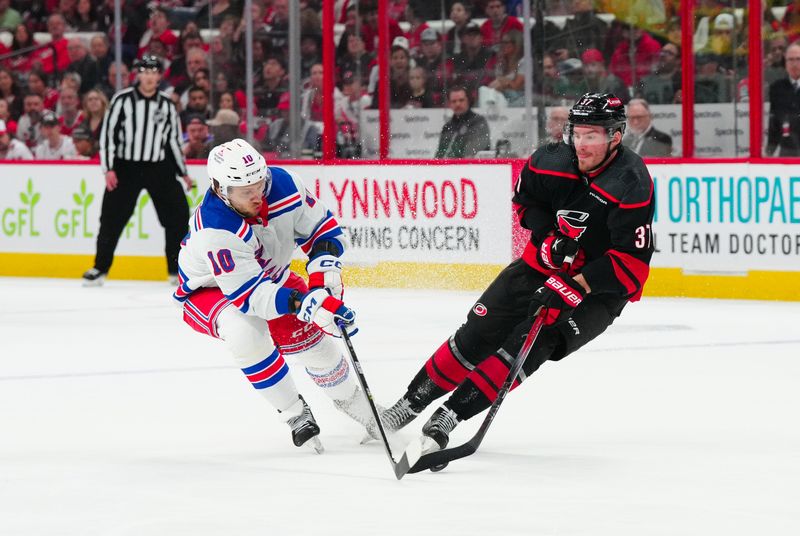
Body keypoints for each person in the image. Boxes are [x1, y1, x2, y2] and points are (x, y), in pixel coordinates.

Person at [379, 93, 655, 456]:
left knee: (534, 343)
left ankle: (450, 416)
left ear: (615, 137)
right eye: (577, 133)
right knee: (476, 333)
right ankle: (408, 405)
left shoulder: (632, 181)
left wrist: (572, 287)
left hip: (598, 290)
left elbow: (631, 262)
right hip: (539, 268)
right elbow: (526, 203)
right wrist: (548, 238)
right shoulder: (551, 159)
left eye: (592, 136)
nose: (581, 144)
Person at [173, 138, 378, 451]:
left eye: (260, 183)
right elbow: (250, 298)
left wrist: (323, 281)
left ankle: (365, 413)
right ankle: (295, 413)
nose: (258, 194)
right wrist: (305, 304)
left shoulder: (283, 184)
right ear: (220, 189)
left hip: (271, 277)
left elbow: (323, 230)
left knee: (318, 350)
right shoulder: (215, 227)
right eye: (246, 191)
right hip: (211, 290)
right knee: (245, 332)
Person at [83, 55, 193, 286]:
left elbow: (173, 140)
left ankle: (177, 271)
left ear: (159, 76)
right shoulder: (122, 100)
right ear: (138, 74)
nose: (150, 76)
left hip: (158, 167)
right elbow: (108, 136)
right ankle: (99, 268)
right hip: (126, 167)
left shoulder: (167, 104)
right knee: (111, 218)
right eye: (145, 71)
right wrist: (109, 169)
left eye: (154, 72)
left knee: (178, 216)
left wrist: (183, 172)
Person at [434, 86, 490, 159]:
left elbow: (473, 151)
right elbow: (440, 154)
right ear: (449, 104)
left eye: (461, 100)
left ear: (468, 101)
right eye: (454, 101)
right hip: (447, 168)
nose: (458, 104)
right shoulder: (447, 127)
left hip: (471, 167)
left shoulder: (478, 122)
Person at [767, 42, 800, 156]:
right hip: (787, 152)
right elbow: (774, 121)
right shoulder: (777, 88)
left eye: (798, 59)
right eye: (790, 60)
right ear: (785, 63)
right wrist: (769, 150)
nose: (794, 64)